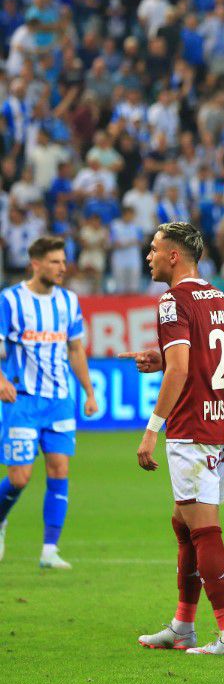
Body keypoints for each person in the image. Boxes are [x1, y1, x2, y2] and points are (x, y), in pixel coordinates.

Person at [125, 222, 224, 656]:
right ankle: (182, 627)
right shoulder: (219, 297)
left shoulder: (173, 301)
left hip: (193, 430)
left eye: (154, 249)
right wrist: (162, 358)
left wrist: (150, 431)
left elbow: (180, 369)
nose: (149, 256)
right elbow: (198, 358)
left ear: (174, 255)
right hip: (223, 424)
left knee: (204, 531)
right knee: (184, 522)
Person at [0, 237, 98, 568]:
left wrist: (88, 391)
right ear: (35, 263)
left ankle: (49, 550)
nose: (62, 267)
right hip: (23, 401)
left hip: (60, 401)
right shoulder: (11, 301)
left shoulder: (69, 301)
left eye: (63, 261)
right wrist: (0, 380)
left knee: (59, 470)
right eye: (55, 261)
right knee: (19, 478)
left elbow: (75, 349)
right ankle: (1, 520)